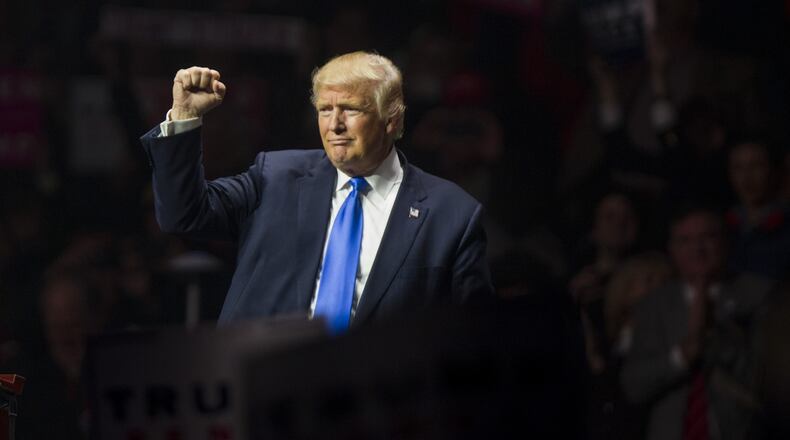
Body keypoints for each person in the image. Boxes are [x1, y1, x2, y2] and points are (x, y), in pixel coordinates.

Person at [139, 52, 493, 331]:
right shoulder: (275, 177)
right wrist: (184, 116)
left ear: (392, 120)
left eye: (350, 109)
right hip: (262, 387)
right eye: (325, 110)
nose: (334, 124)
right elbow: (183, 215)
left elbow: (475, 340)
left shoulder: (452, 215)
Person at [621, 207, 772, 440]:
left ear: (726, 241)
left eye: (708, 237)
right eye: (685, 240)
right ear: (672, 249)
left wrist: (721, 344)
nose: (698, 249)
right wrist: (680, 358)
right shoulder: (654, 305)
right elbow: (633, 386)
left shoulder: (761, 296)